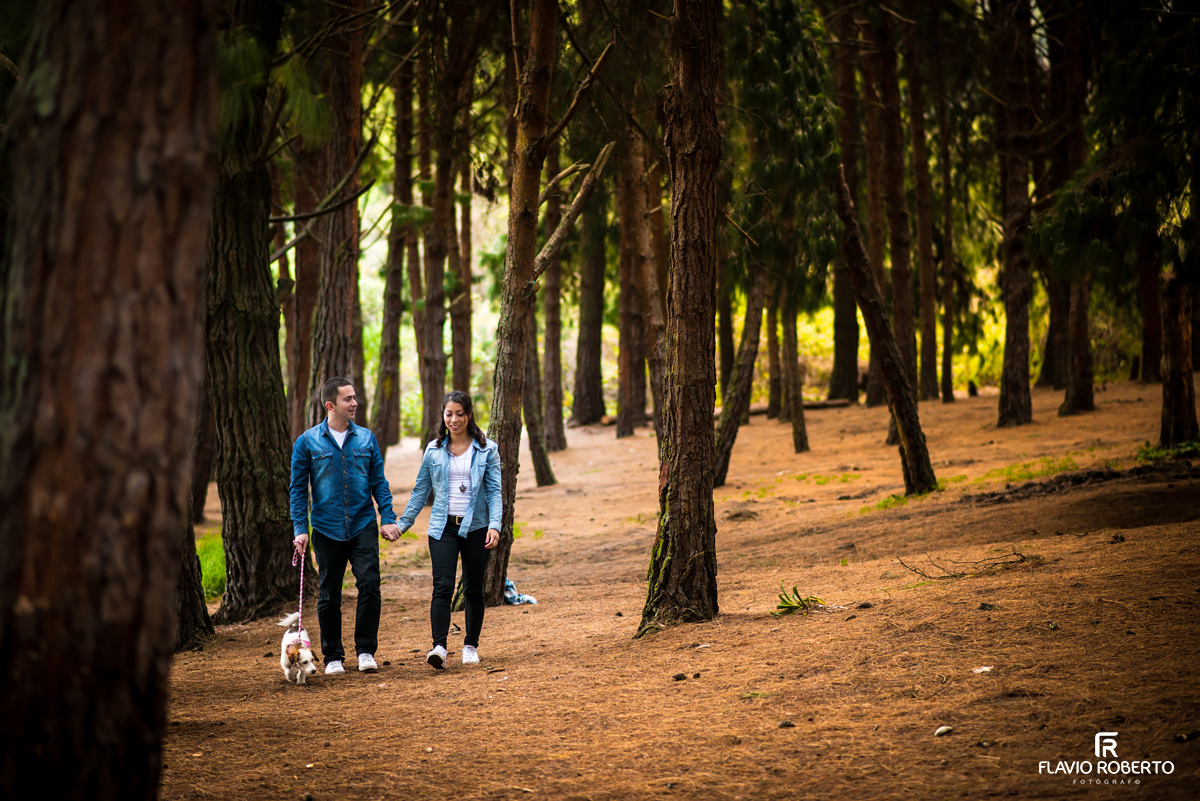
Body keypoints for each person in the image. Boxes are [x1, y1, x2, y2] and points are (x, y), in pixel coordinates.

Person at [290, 376, 400, 675]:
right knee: (329, 594)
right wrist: (300, 528)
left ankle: (365, 650)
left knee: (370, 585)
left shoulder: (366, 438)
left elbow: (379, 481)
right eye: (347, 399)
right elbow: (298, 490)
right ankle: (333, 656)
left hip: (363, 523)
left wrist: (388, 517)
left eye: (354, 397)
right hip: (326, 528)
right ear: (330, 405)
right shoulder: (307, 442)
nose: (354, 403)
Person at [397, 390, 501, 669]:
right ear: (443, 417)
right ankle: (439, 647)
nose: (454, 419)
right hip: (443, 527)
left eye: (459, 414)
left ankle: (470, 645)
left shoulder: (487, 449)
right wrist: (402, 525)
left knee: (473, 588)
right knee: (442, 586)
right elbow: (421, 491)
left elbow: (494, 492)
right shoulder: (433, 450)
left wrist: (495, 526)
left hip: (477, 528)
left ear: (468, 416)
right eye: (448, 414)